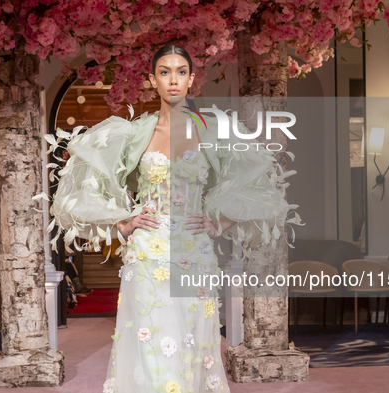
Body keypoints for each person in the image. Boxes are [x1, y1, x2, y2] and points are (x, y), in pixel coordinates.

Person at [49, 44, 293, 393]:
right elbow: (90, 177)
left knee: (192, 340)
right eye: (164, 72)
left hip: (195, 250)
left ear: (192, 79)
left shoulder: (212, 131)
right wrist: (123, 220)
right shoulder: (136, 133)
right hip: (148, 251)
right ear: (152, 80)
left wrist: (218, 224)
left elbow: (258, 186)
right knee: (151, 338)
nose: (173, 80)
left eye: (181, 72)